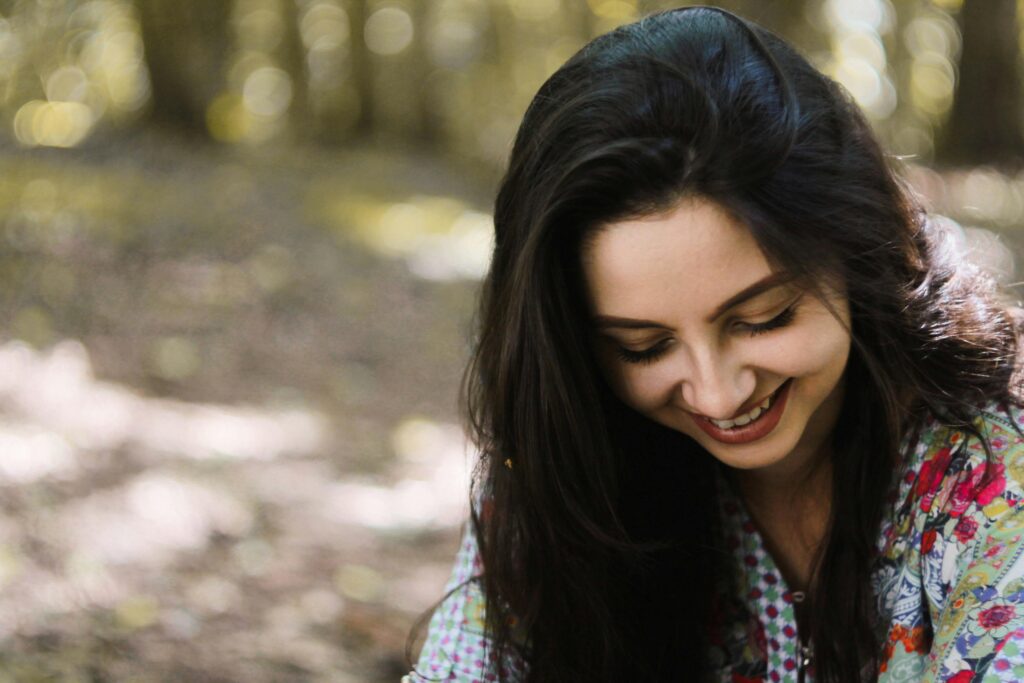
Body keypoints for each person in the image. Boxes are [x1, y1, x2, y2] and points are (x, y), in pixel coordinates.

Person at [405, 6, 1024, 682]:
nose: (719, 392)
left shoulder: (998, 471)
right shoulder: (568, 456)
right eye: (643, 347)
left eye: (763, 317)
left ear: (853, 250)